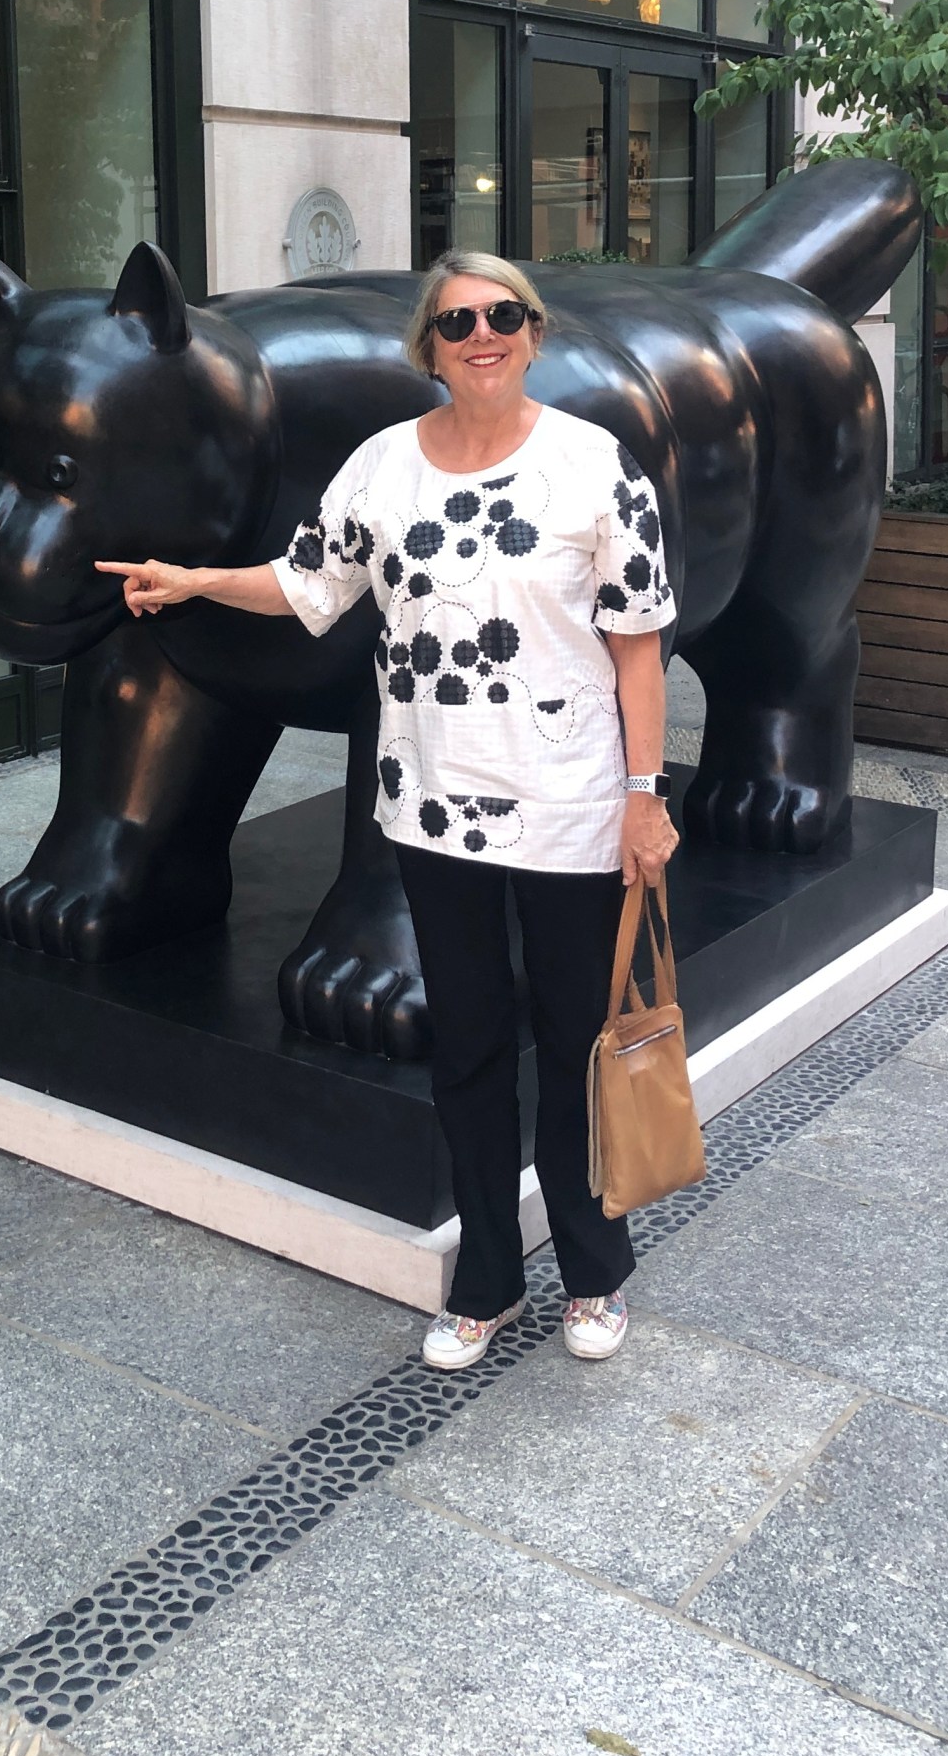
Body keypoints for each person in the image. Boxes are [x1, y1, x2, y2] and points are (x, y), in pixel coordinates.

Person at [97, 249, 679, 1371]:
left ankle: (594, 1271)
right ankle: (487, 1280)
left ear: (534, 332)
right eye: (457, 322)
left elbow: (637, 645)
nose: (481, 335)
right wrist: (198, 581)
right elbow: (309, 584)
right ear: (430, 348)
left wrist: (644, 796)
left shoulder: (593, 465)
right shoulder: (382, 467)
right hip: (430, 811)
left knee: (573, 1047)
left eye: (502, 315)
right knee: (468, 1049)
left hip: (570, 810)